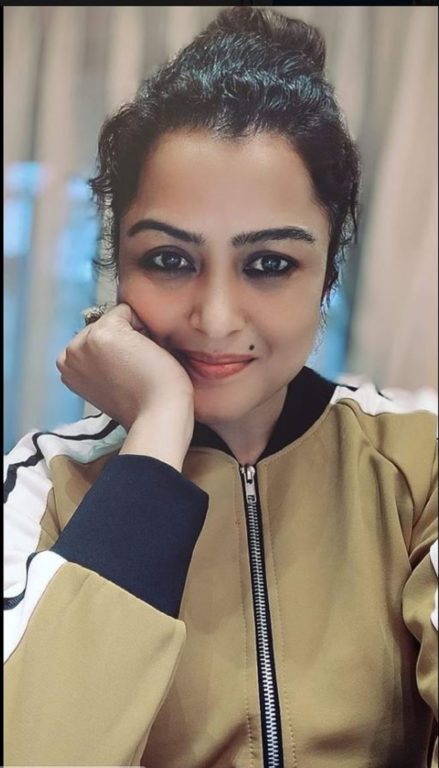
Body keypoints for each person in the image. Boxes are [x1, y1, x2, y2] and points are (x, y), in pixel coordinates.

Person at [4, 8, 437, 768]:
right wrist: (158, 429)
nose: (215, 318)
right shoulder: (43, 488)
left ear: (327, 273)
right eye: (170, 260)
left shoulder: (419, 459)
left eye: (269, 264)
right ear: (117, 266)